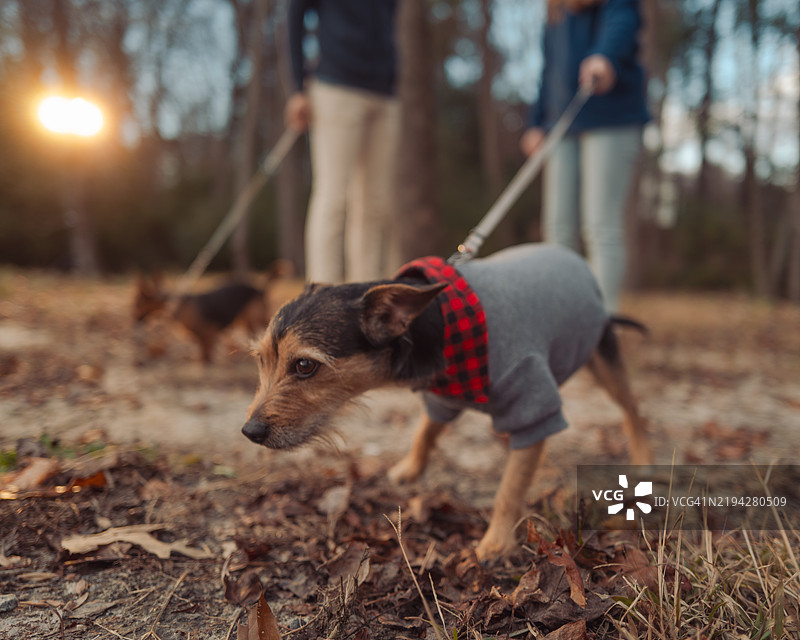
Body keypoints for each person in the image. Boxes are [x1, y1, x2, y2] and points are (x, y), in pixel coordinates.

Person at [521, 0, 649, 312]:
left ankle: (602, 327)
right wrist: (536, 123)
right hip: (561, 124)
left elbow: (621, 26)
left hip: (611, 120)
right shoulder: (554, 17)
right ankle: (560, 319)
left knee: (600, 225)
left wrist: (604, 57)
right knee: (557, 228)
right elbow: (548, 73)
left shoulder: (616, 6)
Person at [286, 0, 401, 284]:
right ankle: (319, 297)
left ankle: (367, 293)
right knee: (333, 196)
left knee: (375, 202)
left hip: (385, 92)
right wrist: (297, 88)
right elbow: (293, 17)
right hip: (336, 87)